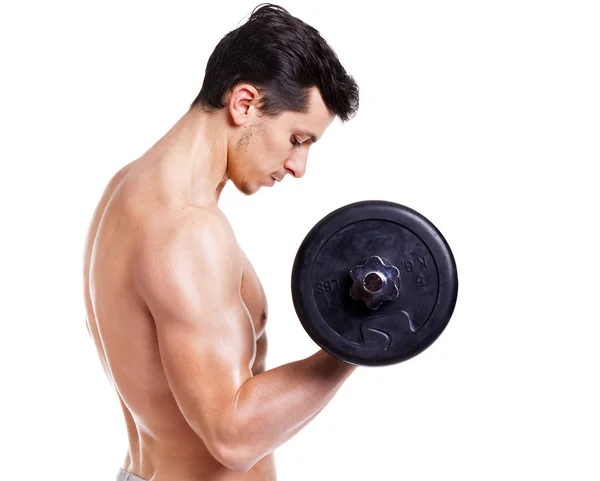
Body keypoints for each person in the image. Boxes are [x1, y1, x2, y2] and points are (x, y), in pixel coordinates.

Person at [83, 4, 360, 480]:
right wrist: (358, 341)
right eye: (297, 138)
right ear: (245, 104)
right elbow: (233, 437)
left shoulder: (128, 188)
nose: (299, 166)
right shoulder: (188, 232)